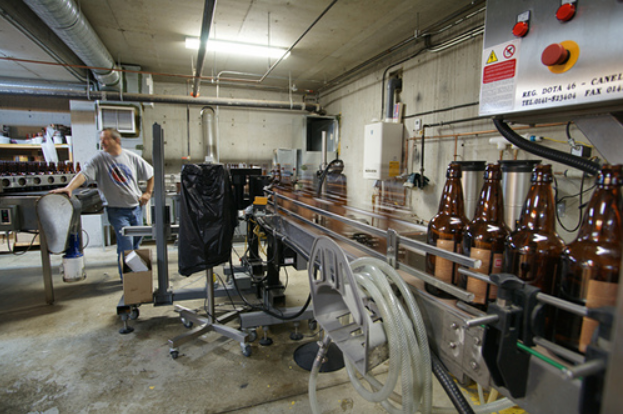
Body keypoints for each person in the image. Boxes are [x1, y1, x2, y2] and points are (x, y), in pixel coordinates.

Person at [51, 128, 154, 280]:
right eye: (101, 139)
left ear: (116, 140)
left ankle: (137, 281)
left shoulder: (131, 157)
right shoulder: (99, 159)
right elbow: (84, 175)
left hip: (136, 208)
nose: (102, 142)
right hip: (117, 211)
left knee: (136, 245)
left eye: (105, 139)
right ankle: (129, 281)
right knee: (126, 246)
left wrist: (148, 193)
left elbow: (150, 173)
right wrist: (69, 188)